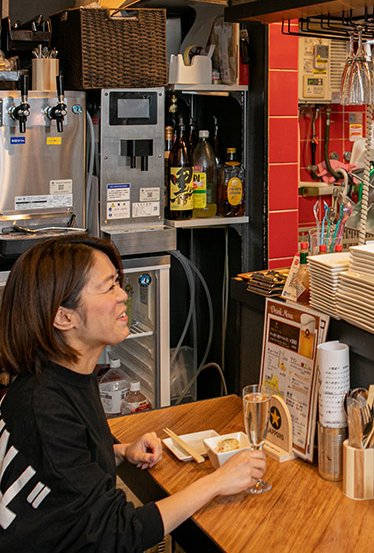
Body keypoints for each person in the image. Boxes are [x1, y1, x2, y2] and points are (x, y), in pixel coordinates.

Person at [0, 236, 266, 553]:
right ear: (64, 317)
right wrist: (217, 482)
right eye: (109, 287)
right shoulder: (44, 408)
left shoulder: (54, 377)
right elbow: (118, 534)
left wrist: (121, 451)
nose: (123, 295)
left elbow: (62, 468)